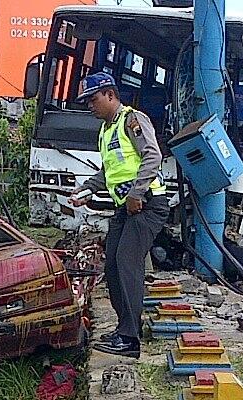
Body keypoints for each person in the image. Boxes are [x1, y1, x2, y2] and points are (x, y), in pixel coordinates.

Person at [69, 72, 169, 359]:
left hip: (147, 204)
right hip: (126, 208)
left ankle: (130, 339)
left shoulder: (132, 120)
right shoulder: (106, 130)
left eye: (93, 98)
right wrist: (86, 189)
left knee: (127, 264)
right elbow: (110, 171)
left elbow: (152, 156)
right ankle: (123, 329)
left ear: (110, 94)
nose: (90, 105)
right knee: (111, 265)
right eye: (87, 101)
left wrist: (137, 193)